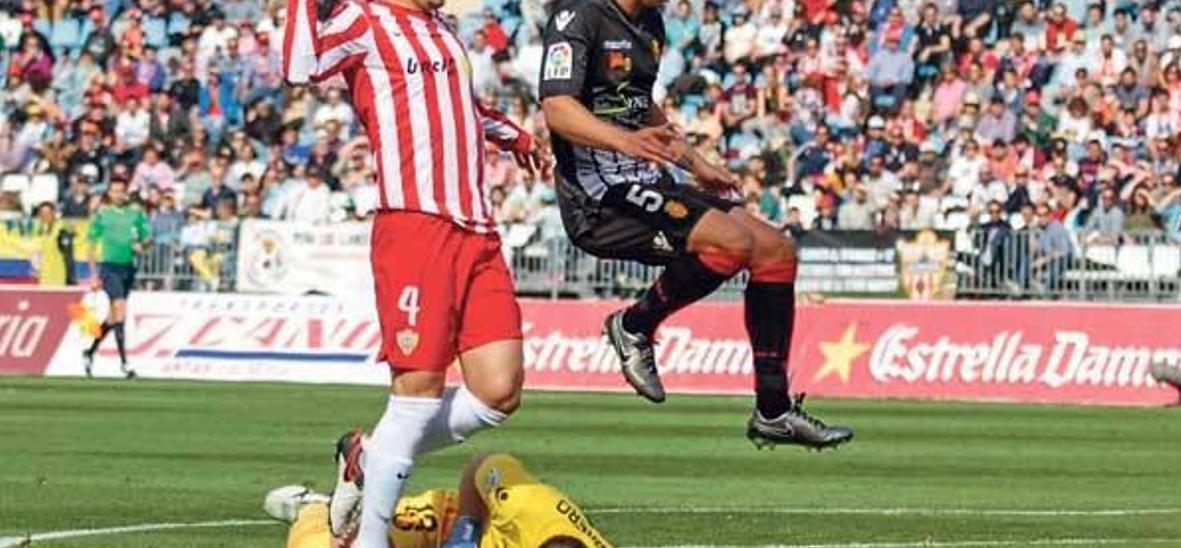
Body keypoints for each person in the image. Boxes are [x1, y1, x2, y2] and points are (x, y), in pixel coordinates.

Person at [538, 0, 853, 449]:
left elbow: (641, 105)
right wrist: (625, 142)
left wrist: (695, 162)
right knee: (731, 243)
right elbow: (557, 109)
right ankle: (634, 325)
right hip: (598, 195)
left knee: (776, 252)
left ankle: (773, 410)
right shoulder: (579, 16)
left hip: (648, 177)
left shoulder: (651, 23)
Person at [283, 0, 541, 546]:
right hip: (416, 227)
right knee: (418, 390)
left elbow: (461, 110)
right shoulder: (363, 19)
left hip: (477, 231)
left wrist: (515, 136)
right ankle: (369, 541)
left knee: (499, 392)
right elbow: (299, 69)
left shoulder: (440, 29)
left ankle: (369, 454)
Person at [264, 451, 608, 548]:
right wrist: (466, 533)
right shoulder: (528, 503)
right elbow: (482, 464)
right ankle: (314, 507)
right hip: (443, 525)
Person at [83, 179, 151, 379]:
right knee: (121, 310)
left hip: (128, 268)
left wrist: (142, 245)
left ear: (125, 193)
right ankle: (125, 364)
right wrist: (94, 275)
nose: (118, 195)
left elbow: (147, 237)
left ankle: (89, 352)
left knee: (113, 318)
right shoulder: (102, 214)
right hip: (110, 268)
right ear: (109, 193)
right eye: (114, 191)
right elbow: (90, 245)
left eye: (121, 191)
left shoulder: (135, 213)